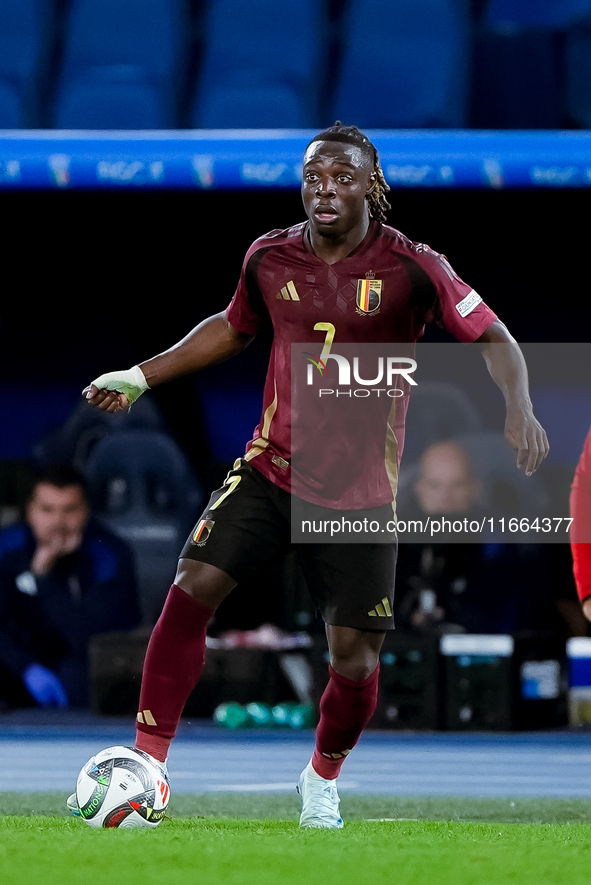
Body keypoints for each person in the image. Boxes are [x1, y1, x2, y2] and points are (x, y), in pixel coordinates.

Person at [77, 123, 548, 827]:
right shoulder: (268, 255)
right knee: (192, 582)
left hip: (359, 495)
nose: (324, 188)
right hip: (272, 466)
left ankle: (321, 776)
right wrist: (142, 375)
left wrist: (519, 408)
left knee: (353, 662)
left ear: (370, 185)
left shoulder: (414, 267)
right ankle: (149, 760)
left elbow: (494, 337)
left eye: (341, 177)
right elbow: (233, 327)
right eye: (313, 176)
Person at [0, 464, 140, 709]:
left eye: (69, 510)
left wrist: (44, 578)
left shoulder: (108, 555)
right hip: (18, 667)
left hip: (82, 674)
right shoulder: (7, 548)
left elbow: (92, 640)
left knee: (80, 673)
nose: (58, 522)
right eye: (47, 510)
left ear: (85, 512)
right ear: (31, 511)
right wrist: (25, 668)